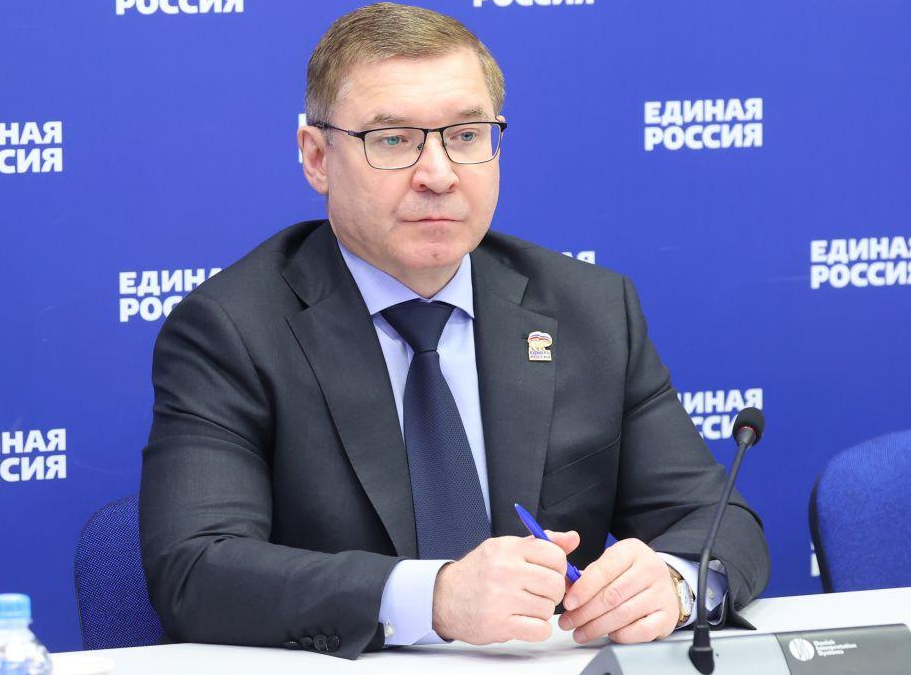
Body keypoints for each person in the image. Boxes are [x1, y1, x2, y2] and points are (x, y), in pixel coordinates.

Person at [139, 2, 769, 660]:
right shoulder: (232, 330)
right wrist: (432, 597)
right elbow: (196, 568)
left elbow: (720, 522)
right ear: (317, 157)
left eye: (466, 135)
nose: (438, 174)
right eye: (393, 140)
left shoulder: (591, 310)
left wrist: (675, 582)